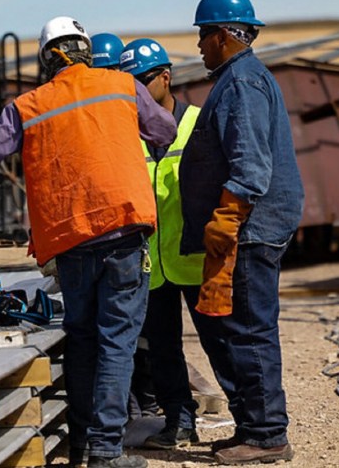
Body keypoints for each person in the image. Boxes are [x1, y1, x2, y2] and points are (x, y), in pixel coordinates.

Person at [0, 16, 176, 468]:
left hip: (71, 241)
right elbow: (164, 131)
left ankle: (81, 443)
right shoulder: (121, 86)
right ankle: (105, 451)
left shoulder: (29, 105)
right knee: (116, 341)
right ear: (85, 50)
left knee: (82, 338)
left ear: (47, 60)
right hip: (122, 232)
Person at [179, 0, 304, 465]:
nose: (199, 46)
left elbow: (250, 164)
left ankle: (267, 436)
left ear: (223, 36)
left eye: (203, 35)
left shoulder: (241, 84)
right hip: (251, 227)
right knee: (241, 329)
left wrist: (227, 216)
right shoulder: (241, 78)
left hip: (250, 229)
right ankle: (254, 428)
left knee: (250, 331)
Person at [120, 38, 224, 450]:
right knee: (163, 351)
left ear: (166, 77)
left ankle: (253, 426)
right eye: (128, 84)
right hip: (152, 265)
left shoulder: (199, 122)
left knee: (221, 345)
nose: (136, 92)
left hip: (197, 259)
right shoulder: (128, 134)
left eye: (143, 81)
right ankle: (180, 422)